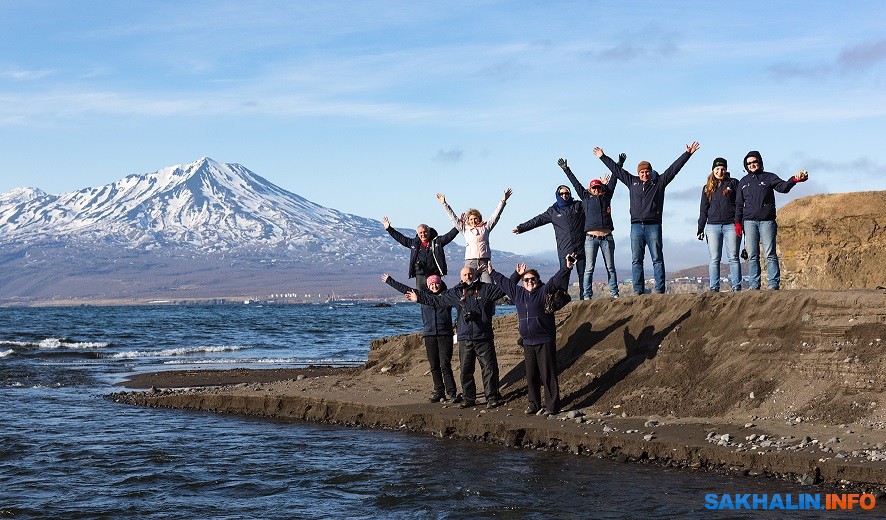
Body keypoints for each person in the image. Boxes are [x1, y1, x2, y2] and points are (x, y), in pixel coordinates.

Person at [594, 141, 701, 295]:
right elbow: (616, 170)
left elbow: (674, 169)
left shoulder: (659, 183)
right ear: (638, 173)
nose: (644, 174)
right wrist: (602, 157)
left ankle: (659, 290)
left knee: (657, 259)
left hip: (653, 226)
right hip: (636, 226)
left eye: (647, 171)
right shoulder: (632, 182)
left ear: (651, 172)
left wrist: (687, 154)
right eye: (642, 172)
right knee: (636, 260)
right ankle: (638, 290)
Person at [405, 266, 506, 409]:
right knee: (465, 370)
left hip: (483, 336)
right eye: (465, 275)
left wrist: (501, 274)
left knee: (489, 368)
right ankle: (468, 397)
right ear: (461, 277)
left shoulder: (486, 289)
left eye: (470, 274)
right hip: (464, 338)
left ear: (475, 274)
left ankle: (492, 398)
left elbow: (506, 288)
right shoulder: (456, 293)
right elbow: (436, 301)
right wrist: (419, 298)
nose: (468, 277)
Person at [488, 256, 574, 415]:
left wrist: (567, 267)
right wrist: (492, 272)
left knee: (548, 375)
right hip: (527, 342)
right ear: (522, 282)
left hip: (544, 340)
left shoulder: (543, 291)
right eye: (526, 280)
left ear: (537, 279)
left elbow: (556, 280)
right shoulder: (518, 294)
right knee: (531, 375)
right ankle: (534, 405)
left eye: (532, 279)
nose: (529, 282)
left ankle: (552, 407)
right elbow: (505, 283)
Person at [735, 151, 808, 290]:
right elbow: (739, 204)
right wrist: (738, 223)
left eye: (754, 161)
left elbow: (783, 188)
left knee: (770, 254)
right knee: (752, 255)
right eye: (749, 163)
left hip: (767, 222)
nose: (752, 164)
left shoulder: (769, 177)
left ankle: (773, 284)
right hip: (749, 222)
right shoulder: (743, 182)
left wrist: (794, 180)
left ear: (760, 162)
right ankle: (753, 285)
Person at [382, 273, 460, 403]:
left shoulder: (446, 296)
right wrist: (390, 281)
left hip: (445, 334)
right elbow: (404, 288)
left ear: (440, 284)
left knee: (445, 364)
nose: (435, 286)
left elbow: (459, 287)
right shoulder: (423, 296)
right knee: (434, 365)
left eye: (436, 283)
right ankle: (439, 392)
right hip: (429, 334)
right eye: (432, 284)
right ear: (428, 285)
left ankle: (452, 393)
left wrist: (476, 274)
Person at [559, 155, 625, 299]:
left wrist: (619, 164)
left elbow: (615, 179)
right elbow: (575, 183)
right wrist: (566, 169)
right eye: (593, 187)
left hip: (607, 238)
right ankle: (587, 295)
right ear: (590, 189)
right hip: (590, 238)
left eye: (598, 187)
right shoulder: (586, 198)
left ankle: (614, 293)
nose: (596, 189)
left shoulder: (607, 196)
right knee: (589, 269)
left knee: (610, 268)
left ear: (601, 188)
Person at [511, 184, 585, 297]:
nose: (564, 195)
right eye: (562, 193)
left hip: (580, 248)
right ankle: (562, 299)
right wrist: (521, 228)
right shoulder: (553, 211)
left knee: (583, 275)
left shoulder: (578, 206)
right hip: (564, 250)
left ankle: (584, 298)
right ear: (557, 195)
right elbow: (537, 220)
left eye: (567, 193)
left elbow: (592, 205)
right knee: (564, 275)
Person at [437, 189, 512, 283]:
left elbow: (496, 215)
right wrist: (444, 204)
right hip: (470, 261)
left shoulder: (486, 227)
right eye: (471, 219)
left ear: (479, 218)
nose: (473, 221)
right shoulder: (465, 229)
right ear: (468, 220)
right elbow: (453, 219)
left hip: (484, 261)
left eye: (475, 218)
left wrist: (503, 200)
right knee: (467, 284)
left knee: (489, 285)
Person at [697, 157, 741, 292]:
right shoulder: (707, 187)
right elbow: (703, 209)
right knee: (714, 258)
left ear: (726, 170)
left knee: (733, 257)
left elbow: (739, 204)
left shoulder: (733, 183)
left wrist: (739, 222)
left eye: (722, 169)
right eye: (717, 169)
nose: (720, 172)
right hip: (712, 226)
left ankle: (736, 287)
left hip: (731, 225)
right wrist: (700, 227)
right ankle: (714, 287)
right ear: (713, 170)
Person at [382, 217, 459, 290]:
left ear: (429, 232)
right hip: (420, 276)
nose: (423, 234)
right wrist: (389, 229)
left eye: (425, 232)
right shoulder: (413, 244)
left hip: (434, 274)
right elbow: (400, 238)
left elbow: (449, 236)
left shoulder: (437, 242)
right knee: (421, 297)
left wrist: (458, 226)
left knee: (436, 296)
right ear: (418, 234)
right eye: (421, 233)